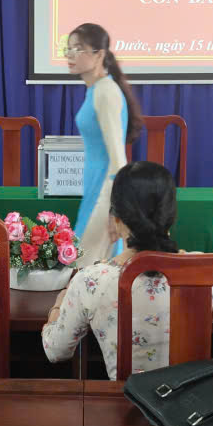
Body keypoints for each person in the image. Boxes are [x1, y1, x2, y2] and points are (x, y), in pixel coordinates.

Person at [42, 161, 183, 380]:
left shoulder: (92, 280)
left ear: (116, 219)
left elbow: (55, 351)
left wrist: (58, 306)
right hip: (192, 399)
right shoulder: (202, 272)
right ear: (171, 217)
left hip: (126, 398)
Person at [67, 23, 143, 268]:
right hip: (94, 186)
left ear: (99, 54)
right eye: (68, 49)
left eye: (78, 49)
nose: (70, 55)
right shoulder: (96, 90)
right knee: (91, 268)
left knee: (86, 267)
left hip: (105, 191)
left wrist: (115, 209)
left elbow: (118, 159)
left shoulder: (105, 92)